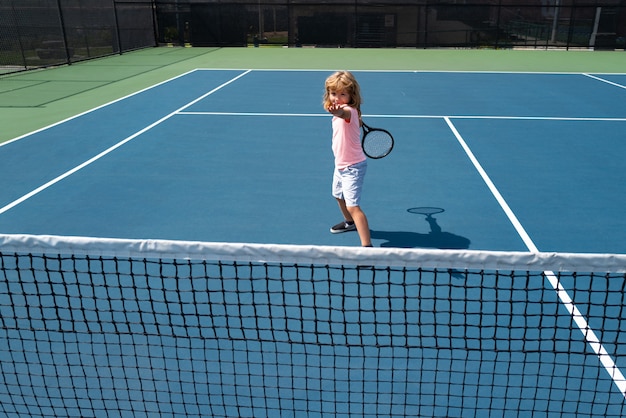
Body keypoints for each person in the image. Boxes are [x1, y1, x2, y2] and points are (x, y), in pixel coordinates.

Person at [323, 71, 372, 247]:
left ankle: (367, 248)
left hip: (353, 167)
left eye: (342, 94)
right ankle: (350, 223)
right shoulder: (351, 113)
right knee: (337, 195)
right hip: (341, 165)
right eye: (333, 93)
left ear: (352, 95)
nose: (337, 98)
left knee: (353, 206)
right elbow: (350, 119)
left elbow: (343, 113)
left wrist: (338, 111)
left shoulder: (348, 111)